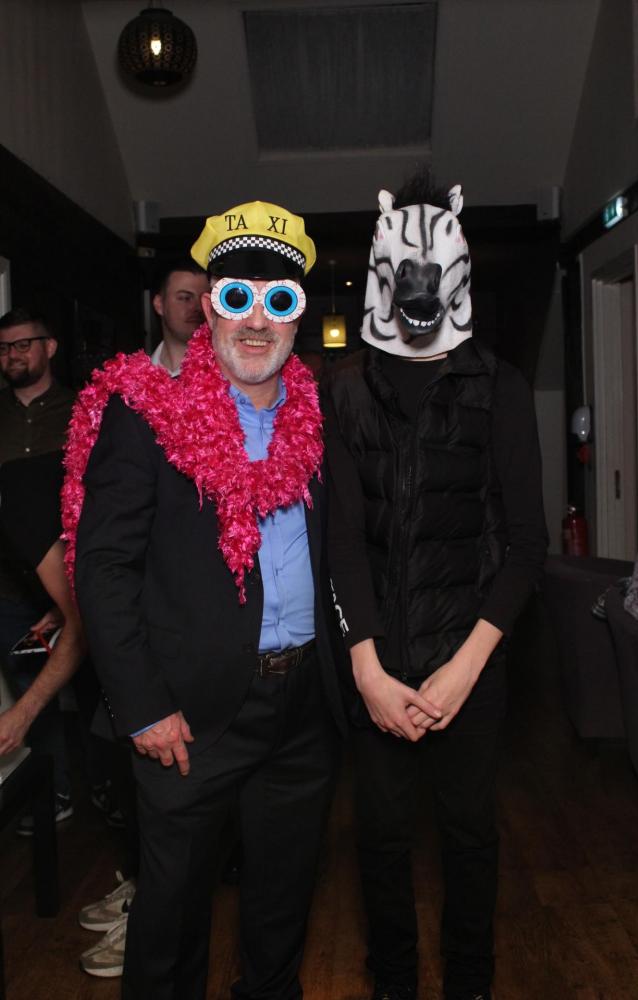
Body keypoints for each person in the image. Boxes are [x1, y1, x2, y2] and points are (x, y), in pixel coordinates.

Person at [63, 199, 347, 1000]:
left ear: (297, 318)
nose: (256, 322)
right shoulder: (144, 415)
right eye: (236, 299)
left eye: (277, 302)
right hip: (187, 715)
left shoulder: (320, 416)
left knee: (282, 905)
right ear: (207, 312)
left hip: (304, 706)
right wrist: (142, 706)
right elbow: (103, 568)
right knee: (171, 922)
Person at [321, 172, 548, 1000]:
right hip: (378, 662)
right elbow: (340, 539)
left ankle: (470, 983)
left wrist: (466, 668)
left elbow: (525, 545)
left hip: (470, 658)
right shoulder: (344, 390)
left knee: (468, 832)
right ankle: (391, 982)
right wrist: (366, 667)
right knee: (380, 838)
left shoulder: (500, 387)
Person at [76, 256, 209, 979]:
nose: (195, 308)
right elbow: (100, 530)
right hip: (134, 624)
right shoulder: (124, 391)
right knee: (131, 774)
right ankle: (143, 895)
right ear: (159, 304)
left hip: (201, 630)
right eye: (183, 296)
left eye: (205, 297)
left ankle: (158, 906)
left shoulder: (235, 386)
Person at [0, 307, 77, 826]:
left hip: (74, 577)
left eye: (23, 344)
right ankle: (52, 796)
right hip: (10, 583)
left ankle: (106, 790)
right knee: (32, 688)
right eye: (4, 348)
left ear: (49, 347)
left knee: (95, 694)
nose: (13, 355)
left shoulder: (82, 409)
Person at [150, 258, 208, 375]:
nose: (198, 307)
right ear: (159, 304)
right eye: (185, 298)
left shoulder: (229, 375)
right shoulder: (135, 378)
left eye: (204, 299)